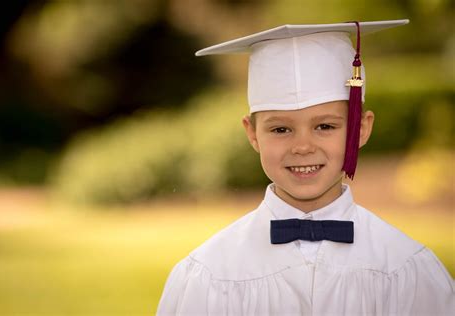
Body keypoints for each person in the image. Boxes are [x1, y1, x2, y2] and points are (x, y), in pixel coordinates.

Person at [157, 20, 454, 315]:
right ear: (252, 134)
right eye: (280, 130)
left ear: (361, 129)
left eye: (325, 126)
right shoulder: (210, 275)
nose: (302, 146)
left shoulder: (405, 268)